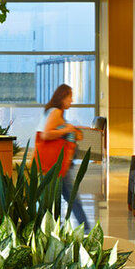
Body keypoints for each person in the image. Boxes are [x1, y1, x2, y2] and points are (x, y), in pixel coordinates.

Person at [35, 84, 90, 226]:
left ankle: (77, 226)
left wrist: (70, 130)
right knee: (69, 197)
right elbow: (46, 134)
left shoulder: (56, 112)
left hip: (59, 165)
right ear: (62, 97)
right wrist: (67, 129)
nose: (71, 100)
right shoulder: (55, 112)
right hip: (56, 164)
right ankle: (85, 227)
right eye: (70, 97)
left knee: (67, 196)